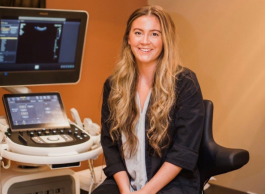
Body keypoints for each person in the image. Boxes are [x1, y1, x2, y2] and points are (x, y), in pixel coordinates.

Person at [92, 5, 204, 194]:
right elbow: (109, 145)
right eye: (138, 33)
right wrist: (125, 190)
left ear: (165, 40)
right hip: (126, 181)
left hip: (171, 183)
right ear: (128, 38)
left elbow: (183, 151)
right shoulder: (114, 85)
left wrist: (145, 192)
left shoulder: (185, 83)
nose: (145, 41)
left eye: (154, 34)